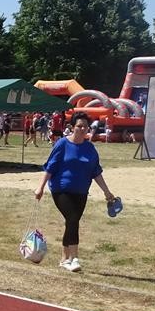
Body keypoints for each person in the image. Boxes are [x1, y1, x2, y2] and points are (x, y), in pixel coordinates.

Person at [34, 112, 118, 272]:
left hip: (81, 192)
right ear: (72, 127)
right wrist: (41, 187)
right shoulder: (62, 144)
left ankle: (64, 259)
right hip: (61, 190)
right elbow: (50, 167)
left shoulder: (90, 148)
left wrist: (107, 192)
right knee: (73, 218)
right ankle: (74, 258)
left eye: (85, 126)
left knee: (72, 222)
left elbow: (96, 172)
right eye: (79, 126)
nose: (82, 129)